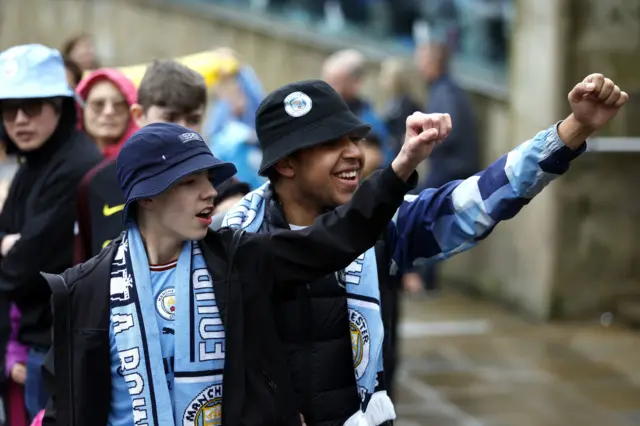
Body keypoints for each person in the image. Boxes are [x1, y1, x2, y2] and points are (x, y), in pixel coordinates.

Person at [216, 75, 629, 426]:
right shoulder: (231, 242)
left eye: (354, 138)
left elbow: (475, 201)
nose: (353, 154)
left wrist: (573, 129)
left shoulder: (382, 223)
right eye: (330, 143)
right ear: (286, 164)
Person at [40, 110, 442, 425]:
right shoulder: (84, 288)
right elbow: (69, 404)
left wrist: (401, 167)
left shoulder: (237, 258)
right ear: (147, 196)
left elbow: (330, 242)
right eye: (190, 181)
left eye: (209, 179)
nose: (210, 192)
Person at [0, 43, 103, 420]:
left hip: (56, 349)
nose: (20, 119)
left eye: (32, 106)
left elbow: (23, 269)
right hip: (34, 345)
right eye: (10, 109)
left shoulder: (75, 165)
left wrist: (13, 249)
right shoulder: (34, 164)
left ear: (58, 107)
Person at [74, 59, 210, 263]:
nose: (183, 129)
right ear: (138, 115)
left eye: (193, 119)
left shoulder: (219, 187)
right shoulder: (96, 183)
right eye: (170, 117)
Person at [322, 50, 392, 165]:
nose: (328, 88)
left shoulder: (371, 126)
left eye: (336, 81)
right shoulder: (317, 114)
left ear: (356, 83)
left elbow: (385, 164)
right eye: (326, 80)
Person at [76, 68, 138, 157]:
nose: (108, 112)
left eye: (119, 105)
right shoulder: (61, 159)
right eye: (98, 104)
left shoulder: (147, 160)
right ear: (81, 110)